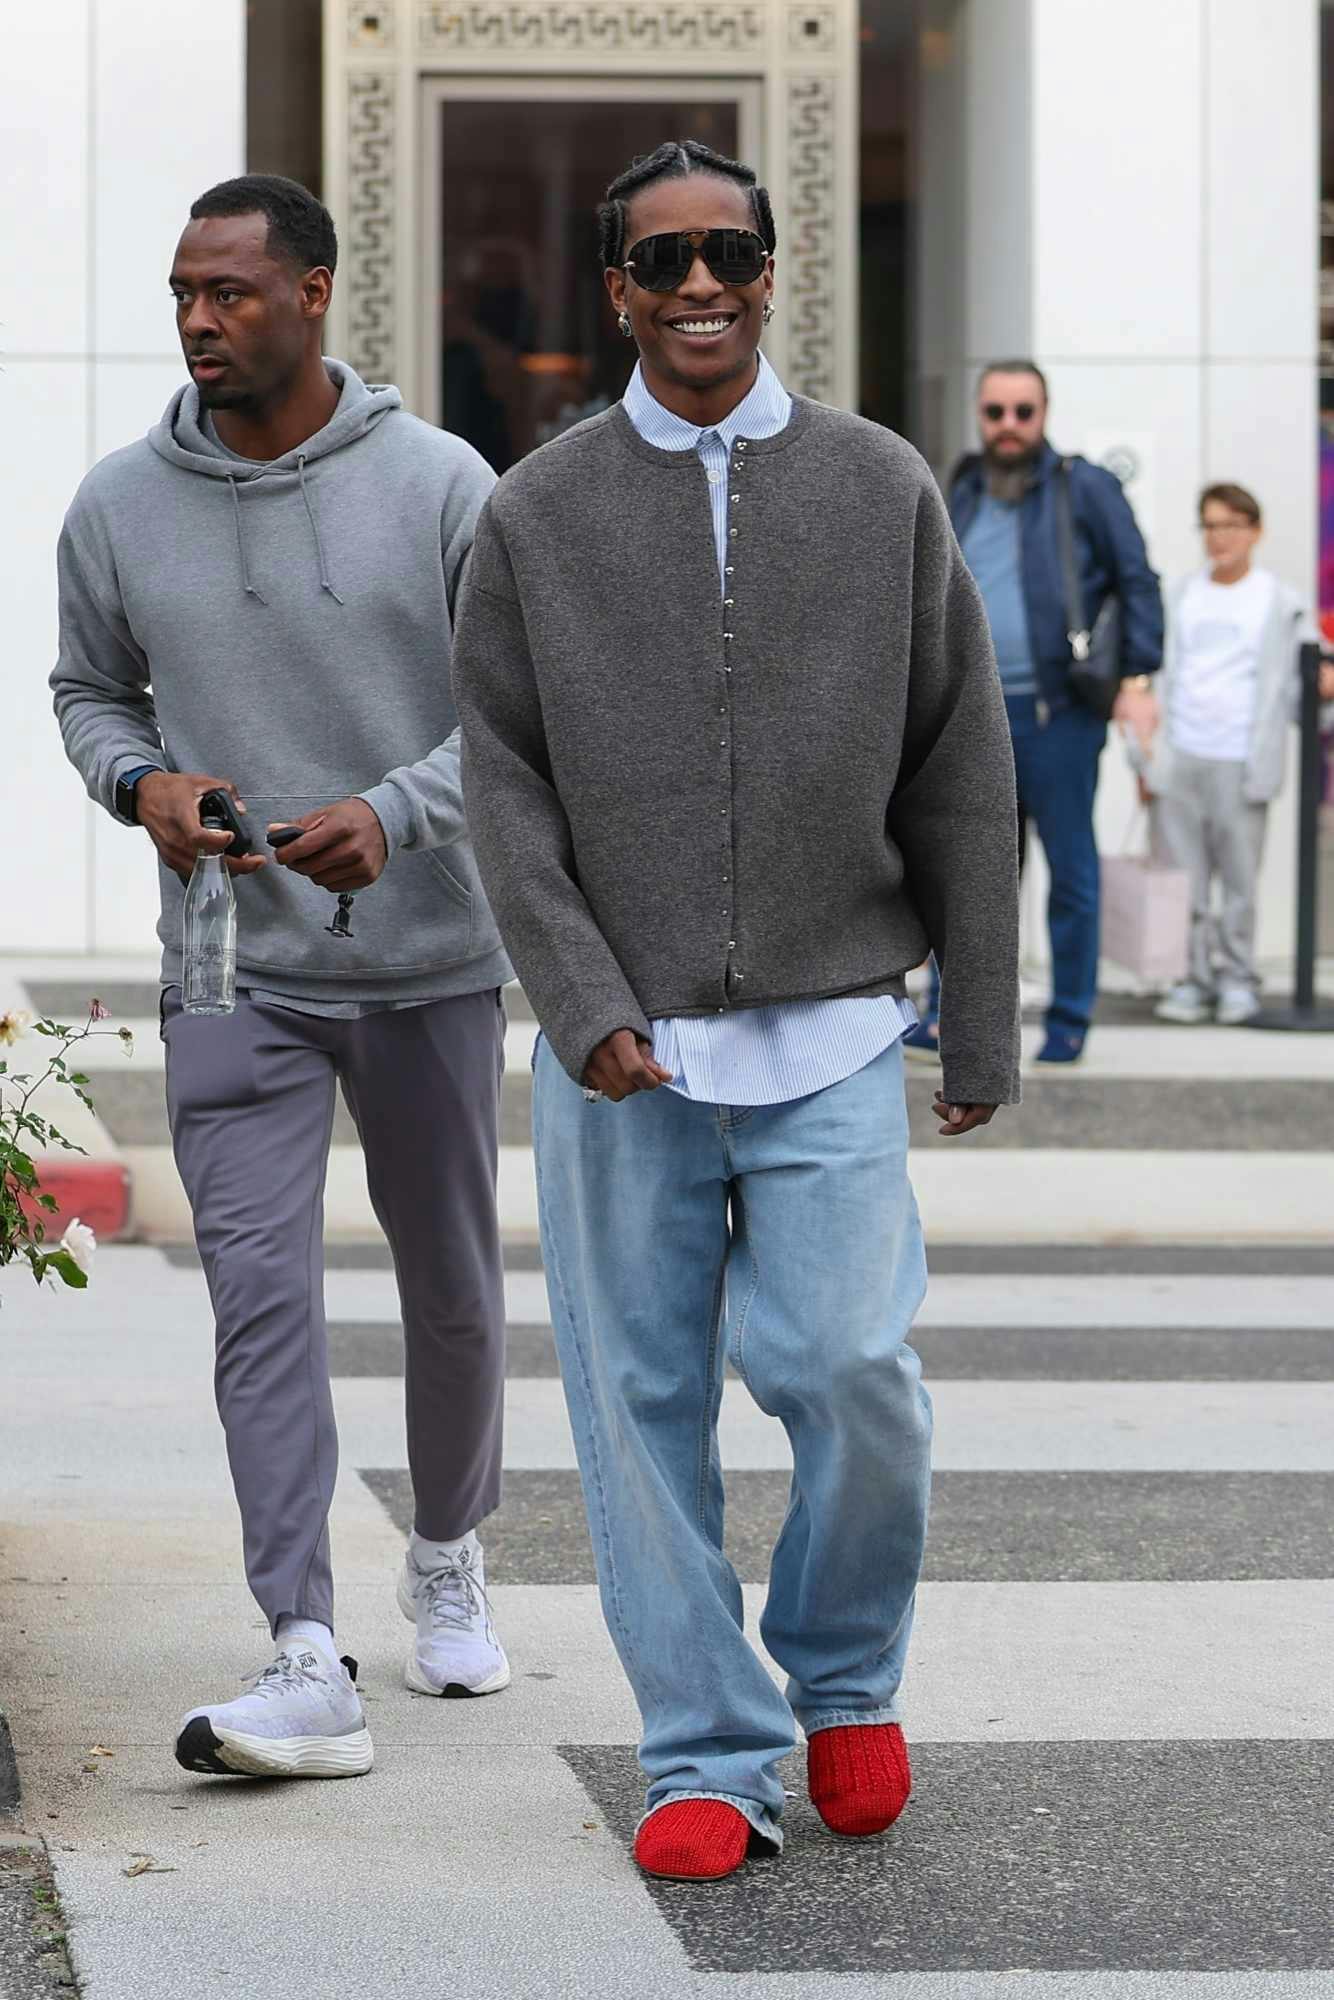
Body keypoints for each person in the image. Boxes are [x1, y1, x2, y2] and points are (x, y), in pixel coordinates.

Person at [451, 140, 1020, 1882]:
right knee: (635, 1409)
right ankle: (705, 1747)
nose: (699, 285)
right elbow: (500, 782)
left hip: (835, 1022)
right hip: (617, 1055)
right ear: (615, 290)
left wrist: (977, 1019)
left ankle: (843, 1677)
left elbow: (956, 760)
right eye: (662, 262)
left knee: (847, 1367)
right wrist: (579, 995)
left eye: (730, 254)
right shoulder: (534, 512)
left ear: (774, 273)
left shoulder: (876, 489)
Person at [51, 175, 513, 1780]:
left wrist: (393, 815)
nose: (197, 319)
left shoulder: (443, 483)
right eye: (183, 290)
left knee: (448, 1285)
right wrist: (140, 788)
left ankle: (448, 1553)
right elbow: (89, 690)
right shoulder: (118, 501)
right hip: (229, 964)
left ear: (313, 293)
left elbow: (517, 717)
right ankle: (300, 1644)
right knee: (260, 1300)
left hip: (433, 956)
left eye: (231, 292)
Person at [903, 362, 1164, 1065]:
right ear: (979, 416)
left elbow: (1138, 579)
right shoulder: (957, 486)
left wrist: (1138, 676)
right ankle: (948, 1015)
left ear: (1043, 414)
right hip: (970, 716)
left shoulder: (1085, 488)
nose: (1009, 427)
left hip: (1059, 717)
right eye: (996, 413)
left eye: (1023, 412)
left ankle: (1071, 1017)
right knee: (964, 875)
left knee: (1070, 870)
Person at [1144, 483, 1326, 1024]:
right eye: (1211, 525)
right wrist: (1146, 756)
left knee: (1240, 882)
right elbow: (1158, 676)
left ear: (1255, 531)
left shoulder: (1281, 602)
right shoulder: (1181, 596)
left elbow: (1306, 680)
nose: (1220, 537)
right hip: (1181, 755)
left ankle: (1237, 979)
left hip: (1242, 758)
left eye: (1231, 525)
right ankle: (1191, 980)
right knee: (1186, 881)